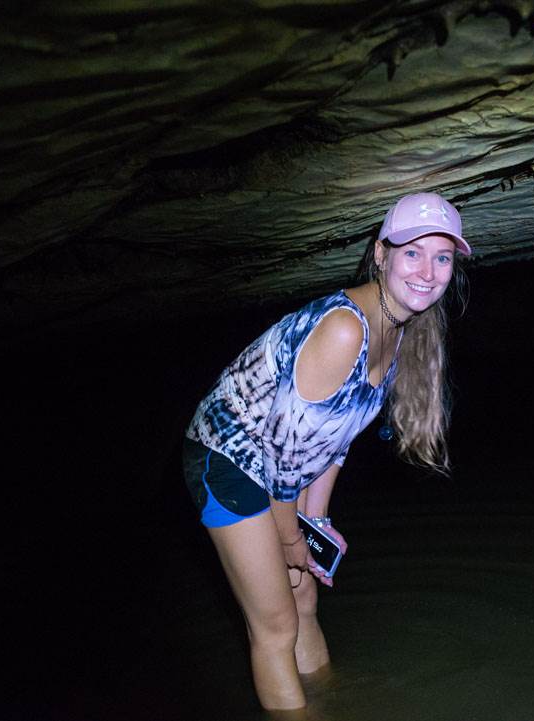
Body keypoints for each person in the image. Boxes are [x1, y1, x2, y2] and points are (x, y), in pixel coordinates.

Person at [182, 192, 471, 711]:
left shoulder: (401, 331)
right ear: (381, 254)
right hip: (227, 456)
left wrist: (317, 520)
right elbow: (283, 456)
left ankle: (333, 700)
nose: (428, 271)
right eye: (413, 253)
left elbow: (334, 439)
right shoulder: (344, 329)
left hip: (280, 463)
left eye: (443, 257)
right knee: (275, 623)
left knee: (305, 598)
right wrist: (293, 537)